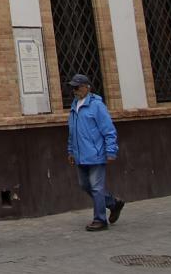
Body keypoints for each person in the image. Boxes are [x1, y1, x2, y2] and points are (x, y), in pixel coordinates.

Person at [66, 73, 124, 230]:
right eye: (73, 88)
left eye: (77, 87)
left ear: (87, 87)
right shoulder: (74, 106)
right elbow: (72, 132)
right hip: (80, 155)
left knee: (97, 187)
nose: (74, 91)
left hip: (96, 154)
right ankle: (113, 203)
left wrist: (111, 150)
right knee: (85, 185)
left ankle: (100, 219)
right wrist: (70, 150)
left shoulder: (97, 106)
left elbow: (108, 130)